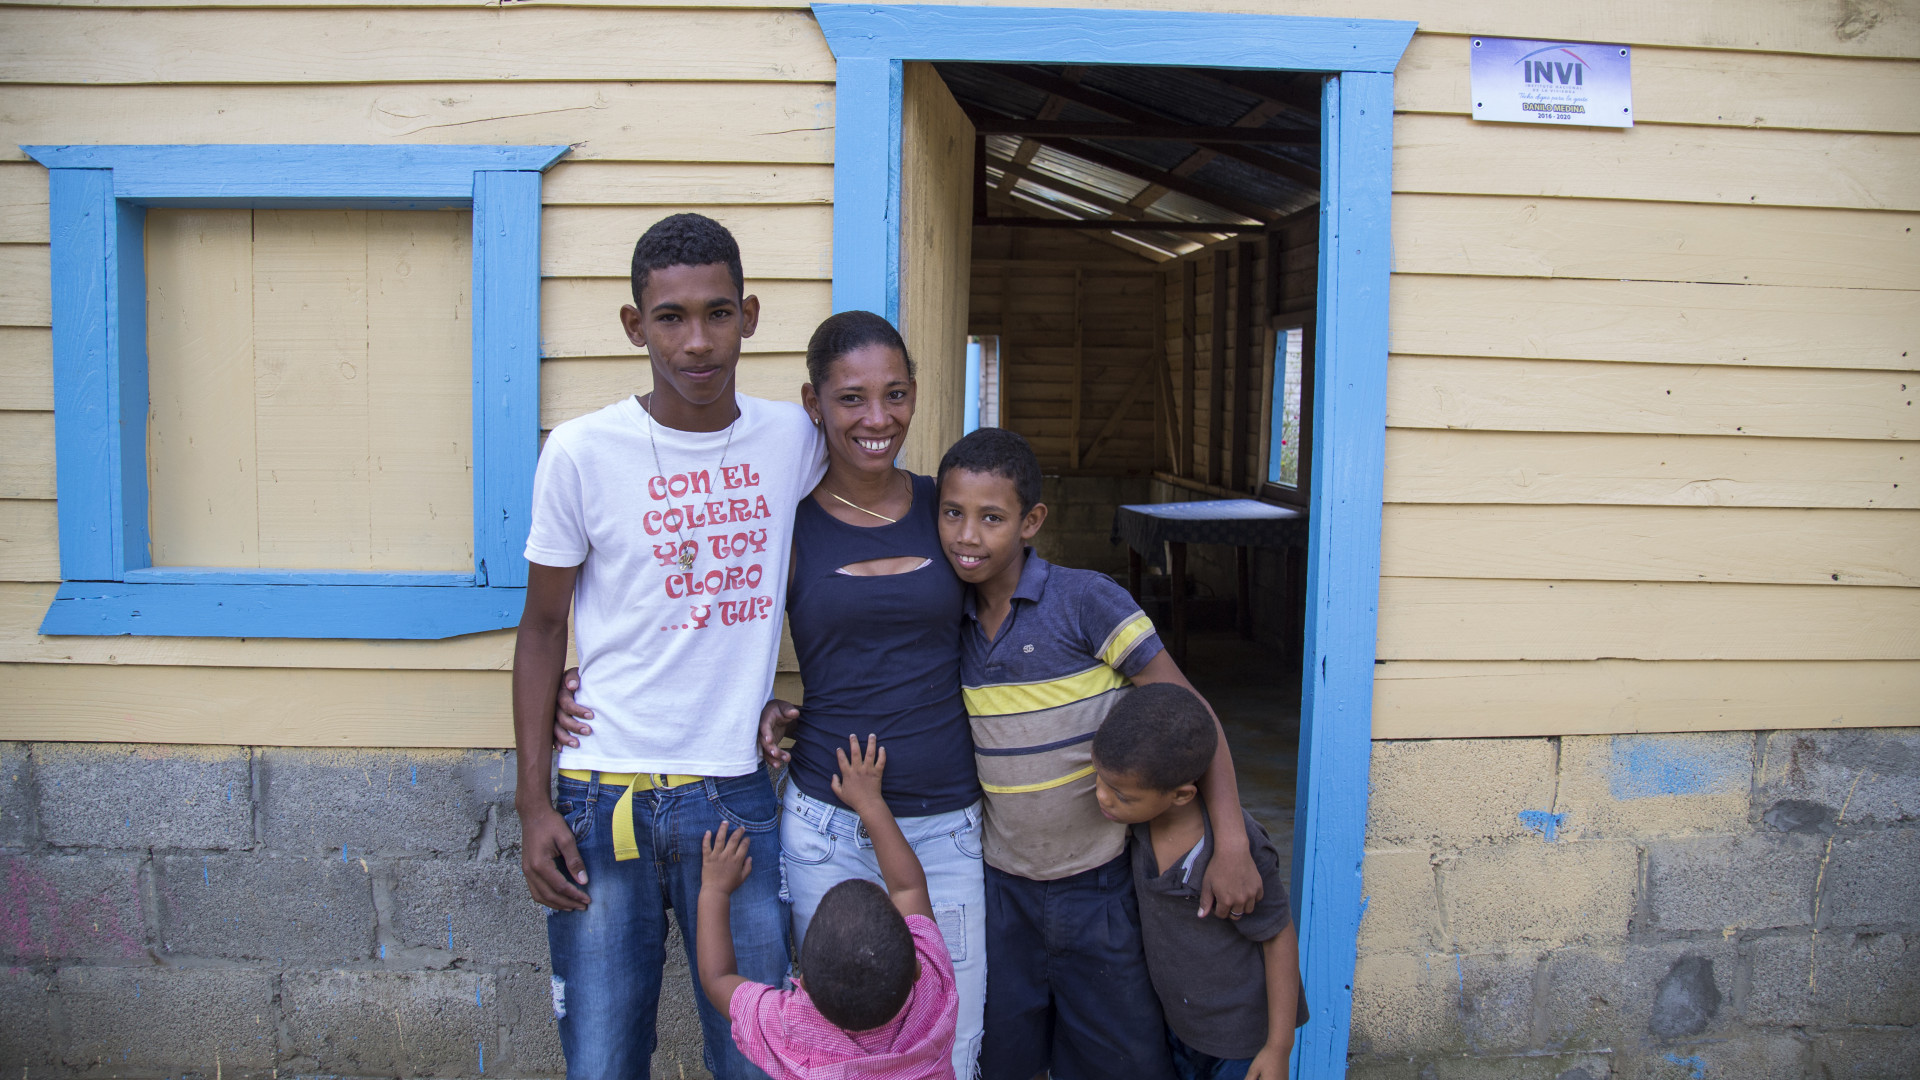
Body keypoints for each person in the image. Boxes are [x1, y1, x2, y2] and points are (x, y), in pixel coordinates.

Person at [560, 310, 988, 1076]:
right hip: (826, 822)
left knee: (949, 1047)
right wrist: (594, 682)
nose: (877, 418)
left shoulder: (947, 512)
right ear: (813, 404)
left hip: (945, 821)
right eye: (851, 398)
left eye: (895, 394)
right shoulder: (785, 524)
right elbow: (701, 616)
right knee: (830, 1050)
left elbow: (1014, 614)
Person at [513, 212, 824, 1079]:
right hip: (601, 793)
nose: (697, 342)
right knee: (603, 1057)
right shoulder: (581, 452)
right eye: (670, 317)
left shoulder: (794, 439)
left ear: (749, 316)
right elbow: (542, 627)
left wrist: (791, 699)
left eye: (718, 314)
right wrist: (532, 801)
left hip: (734, 792)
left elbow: (853, 549)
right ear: (633, 325)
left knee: (760, 1054)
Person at [933, 427, 1264, 1080]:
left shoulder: (1085, 601)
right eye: (952, 513)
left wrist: (1231, 843)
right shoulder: (945, 618)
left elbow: (1192, 717)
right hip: (1000, 895)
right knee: (1000, 1057)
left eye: (991, 517)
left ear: (1031, 521)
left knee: (1122, 1059)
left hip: (1102, 892)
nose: (967, 536)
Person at [697, 735, 960, 1079]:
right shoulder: (933, 990)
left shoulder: (791, 1029)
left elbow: (717, 979)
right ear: (916, 968)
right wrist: (870, 803)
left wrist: (714, 889)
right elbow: (908, 887)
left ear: (803, 983)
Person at [1092, 683, 1307, 1080]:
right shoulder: (1140, 824)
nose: (1102, 797)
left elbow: (1278, 937)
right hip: (1177, 1028)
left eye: (1121, 794)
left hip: (1240, 1044)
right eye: (1099, 780)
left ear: (1181, 795)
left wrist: (1279, 1047)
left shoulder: (1235, 853)